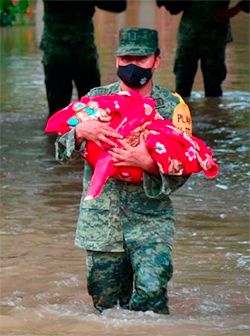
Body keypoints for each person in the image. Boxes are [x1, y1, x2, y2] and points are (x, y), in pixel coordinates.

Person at [55, 27, 191, 314]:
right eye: (125, 58)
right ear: (116, 60)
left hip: (151, 221)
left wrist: (147, 163)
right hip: (102, 224)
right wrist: (80, 132)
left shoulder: (172, 106)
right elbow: (61, 153)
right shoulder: (95, 99)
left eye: (140, 59)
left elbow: (185, 168)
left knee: (152, 298)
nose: (131, 66)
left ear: (157, 60)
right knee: (107, 309)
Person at [40, 0, 127, 117]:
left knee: (59, 113)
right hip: (77, 53)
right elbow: (119, 5)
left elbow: (119, 6)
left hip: (63, 53)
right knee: (92, 111)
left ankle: (57, 133)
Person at [156, 0, 249, 97]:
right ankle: (210, 110)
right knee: (205, 89)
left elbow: (221, 14)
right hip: (201, 38)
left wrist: (239, 7)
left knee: (188, 87)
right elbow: (174, 8)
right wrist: (239, 7)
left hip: (201, 38)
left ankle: (200, 110)